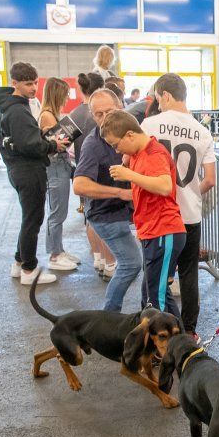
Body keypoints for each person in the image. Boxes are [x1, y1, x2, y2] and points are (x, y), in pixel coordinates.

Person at [141, 73, 217, 342]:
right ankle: (190, 330)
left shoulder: (149, 125)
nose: (158, 104)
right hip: (191, 214)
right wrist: (191, 192)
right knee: (189, 274)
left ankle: (157, 333)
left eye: (158, 98)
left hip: (161, 215)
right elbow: (209, 179)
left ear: (166, 96)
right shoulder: (203, 131)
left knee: (156, 276)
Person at [101, 111, 186, 319]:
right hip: (153, 231)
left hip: (164, 231)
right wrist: (128, 162)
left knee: (156, 300)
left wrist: (129, 174)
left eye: (116, 144)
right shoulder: (139, 152)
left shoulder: (153, 153)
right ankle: (178, 344)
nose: (116, 149)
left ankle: (177, 346)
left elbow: (165, 186)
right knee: (154, 295)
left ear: (130, 135)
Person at [0, 62, 69, 286]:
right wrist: (52, 145)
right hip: (28, 170)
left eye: (35, 82)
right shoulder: (17, 110)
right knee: (33, 219)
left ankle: (20, 262)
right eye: (28, 84)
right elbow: (30, 144)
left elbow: (24, 140)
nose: (33, 88)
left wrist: (43, 139)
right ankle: (29, 269)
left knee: (30, 217)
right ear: (14, 83)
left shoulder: (11, 107)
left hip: (19, 169)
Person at [73, 88, 142, 311]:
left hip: (127, 212)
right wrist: (121, 193)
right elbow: (79, 185)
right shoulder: (93, 144)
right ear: (92, 116)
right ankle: (109, 316)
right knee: (131, 263)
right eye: (98, 114)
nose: (104, 119)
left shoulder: (131, 131)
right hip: (106, 214)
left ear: (121, 107)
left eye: (109, 111)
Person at [71, 72, 114, 275]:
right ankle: (109, 262)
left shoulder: (74, 115)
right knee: (106, 220)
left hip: (82, 170)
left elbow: (62, 143)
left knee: (91, 217)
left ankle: (98, 258)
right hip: (103, 176)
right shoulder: (105, 118)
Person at [37, 77, 79, 272]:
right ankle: (54, 254)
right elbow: (53, 144)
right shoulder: (47, 116)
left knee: (59, 210)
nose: (66, 98)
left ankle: (58, 250)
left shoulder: (52, 114)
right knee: (57, 212)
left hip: (60, 165)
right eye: (64, 94)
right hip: (54, 166)